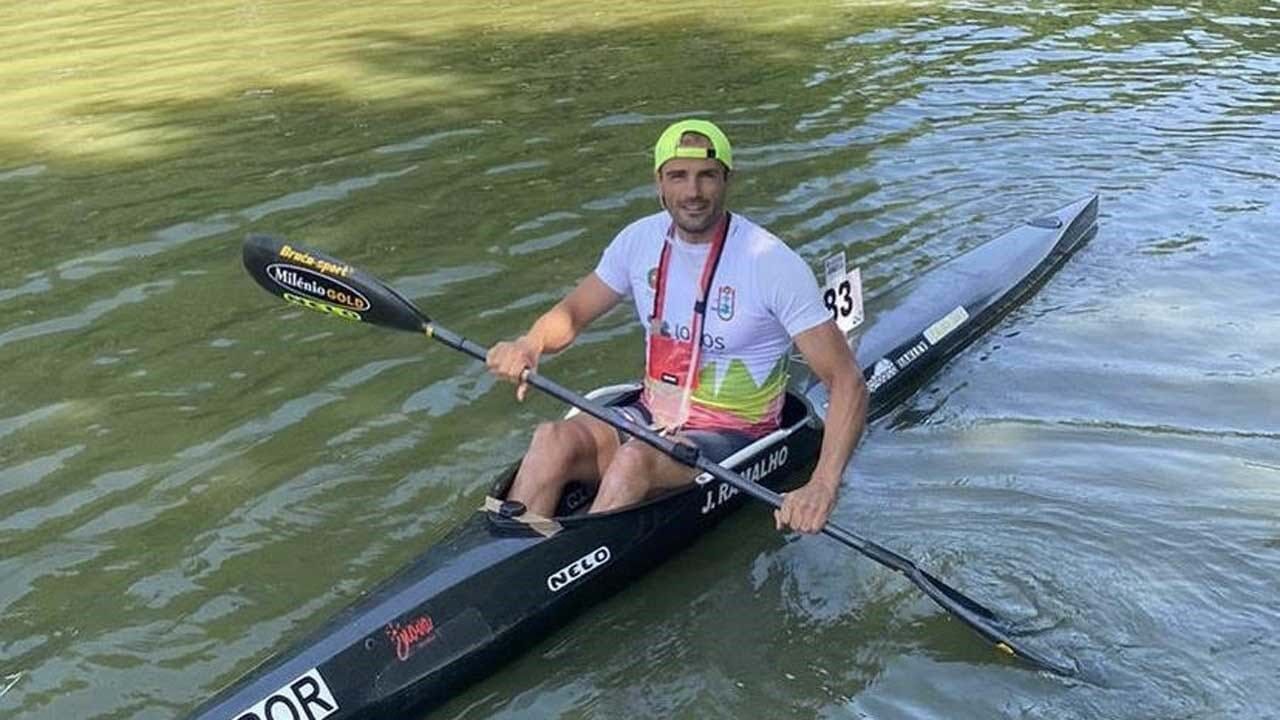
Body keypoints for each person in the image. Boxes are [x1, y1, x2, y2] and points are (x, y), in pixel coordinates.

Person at [486, 119, 867, 534]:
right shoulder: (638, 241)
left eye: (707, 176)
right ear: (659, 183)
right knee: (550, 440)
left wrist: (822, 485)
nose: (693, 192)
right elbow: (572, 315)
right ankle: (515, 543)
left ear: (727, 180)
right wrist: (530, 343)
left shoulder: (770, 262)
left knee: (633, 461)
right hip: (653, 411)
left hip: (733, 432)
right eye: (678, 176)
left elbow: (847, 382)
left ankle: (570, 557)